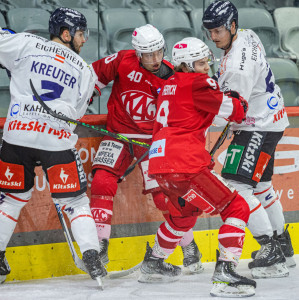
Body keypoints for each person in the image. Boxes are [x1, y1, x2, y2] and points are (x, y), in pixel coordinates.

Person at [143, 37, 256, 297]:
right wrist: (238, 100)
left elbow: (195, 113)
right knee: (237, 207)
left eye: (207, 62)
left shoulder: (169, 84)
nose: (207, 67)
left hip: (159, 163)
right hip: (185, 163)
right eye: (201, 62)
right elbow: (236, 112)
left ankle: (154, 262)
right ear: (186, 65)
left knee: (182, 218)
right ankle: (225, 274)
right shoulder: (198, 82)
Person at [0, 7, 106, 285]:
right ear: (66, 33)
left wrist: (11, 62)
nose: (84, 40)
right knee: (74, 201)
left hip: (16, 136)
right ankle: (92, 258)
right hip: (55, 140)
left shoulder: (24, 42)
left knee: (10, 200)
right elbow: (76, 115)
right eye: (81, 34)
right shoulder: (85, 71)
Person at [90, 24, 203, 275]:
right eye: (147, 55)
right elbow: (93, 75)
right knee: (101, 182)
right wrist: (86, 95)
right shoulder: (122, 60)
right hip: (119, 134)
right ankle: (99, 246)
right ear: (137, 52)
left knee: (163, 196)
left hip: (153, 142)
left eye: (158, 53)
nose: (154, 60)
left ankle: (188, 244)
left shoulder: (173, 75)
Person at [202, 0, 295, 278]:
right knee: (263, 186)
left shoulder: (236, 69)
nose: (213, 37)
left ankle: (269, 249)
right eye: (210, 31)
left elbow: (229, 113)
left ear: (232, 26)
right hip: (272, 120)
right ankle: (283, 246)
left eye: (218, 30)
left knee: (237, 186)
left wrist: (196, 117)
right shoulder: (248, 34)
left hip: (257, 126)